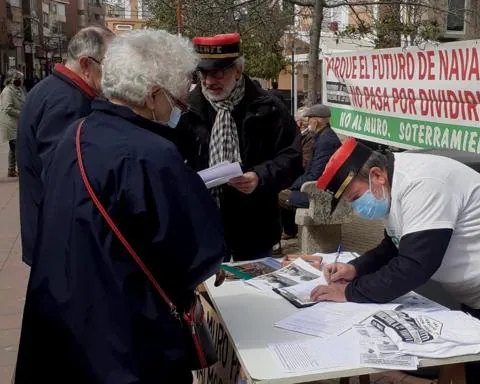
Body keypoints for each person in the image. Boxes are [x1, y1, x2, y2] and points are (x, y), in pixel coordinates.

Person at [15, 29, 225, 383]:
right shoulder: (153, 155)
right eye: (177, 101)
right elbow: (198, 252)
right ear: (153, 95)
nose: (177, 111)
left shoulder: (75, 134)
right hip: (129, 341)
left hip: (66, 325)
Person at [310, 138, 480, 384]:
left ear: (377, 175)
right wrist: (355, 268)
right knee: (472, 365)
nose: (356, 208)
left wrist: (351, 292)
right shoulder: (391, 186)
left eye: (354, 197)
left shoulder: (423, 184)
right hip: (479, 285)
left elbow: (414, 265)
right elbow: (394, 245)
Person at [178, 32, 302, 261]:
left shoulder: (269, 108)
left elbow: (292, 158)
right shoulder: (185, 109)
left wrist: (259, 177)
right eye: (202, 73)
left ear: (238, 70)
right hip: (202, 228)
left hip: (255, 230)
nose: (208, 82)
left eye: (217, 73)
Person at [17, 26, 115, 266]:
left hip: (51, 237)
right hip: (62, 245)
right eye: (110, 65)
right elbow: (66, 180)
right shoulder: (69, 103)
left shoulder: (50, 88)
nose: (115, 74)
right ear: (85, 64)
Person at [279, 104, 340, 240]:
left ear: (316, 121)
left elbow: (314, 175)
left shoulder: (326, 141)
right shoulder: (323, 136)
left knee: (277, 196)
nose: (307, 122)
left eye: (310, 119)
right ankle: (288, 231)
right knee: (281, 193)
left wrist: (291, 187)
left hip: (322, 195)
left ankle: (278, 240)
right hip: (321, 189)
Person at [0, 70, 25, 177]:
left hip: (17, 122)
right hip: (11, 123)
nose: (21, 81)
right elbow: (8, 108)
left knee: (14, 147)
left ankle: (11, 169)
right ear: (11, 80)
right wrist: (22, 113)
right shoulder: (7, 91)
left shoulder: (18, 89)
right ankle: (20, 169)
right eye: (18, 78)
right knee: (17, 147)